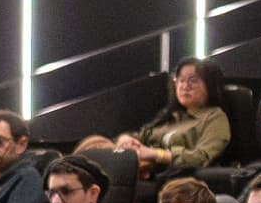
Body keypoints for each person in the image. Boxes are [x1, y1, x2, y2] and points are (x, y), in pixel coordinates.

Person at [82, 54, 234, 178]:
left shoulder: (215, 117)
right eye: (181, 80)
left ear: (210, 85)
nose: (185, 86)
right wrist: (126, 139)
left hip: (170, 174)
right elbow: (140, 136)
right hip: (139, 165)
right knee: (94, 143)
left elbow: (201, 158)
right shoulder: (171, 116)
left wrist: (155, 154)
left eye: (192, 81)